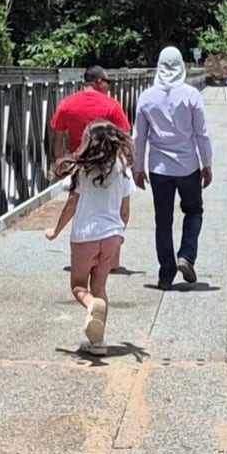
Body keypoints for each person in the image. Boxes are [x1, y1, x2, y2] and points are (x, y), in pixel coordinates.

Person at [44, 121, 135, 355]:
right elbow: (125, 210)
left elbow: (72, 204)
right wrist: (119, 231)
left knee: (78, 286)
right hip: (112, 237)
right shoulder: (122, 167)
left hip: (86, 236)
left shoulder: (82, 170)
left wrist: (56, 231)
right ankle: (98, 343)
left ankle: (91, 306)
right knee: (100, 286)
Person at [133, 47, 213, 289]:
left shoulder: (146, 97)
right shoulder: (191, 95)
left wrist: (138, 167)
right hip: (188, 166)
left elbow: (139, 136)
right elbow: (202, 133)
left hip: (159, 168)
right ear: (181, 66)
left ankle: (165, 274)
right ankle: (186, 256)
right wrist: (207, 164)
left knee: (163, 221)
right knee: (194, 211)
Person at [50, 66, 130, 165]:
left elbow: (58, 139)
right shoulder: (112, 105)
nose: (109, 86)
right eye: (108, 82)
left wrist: (61, 163)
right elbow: (125, 138)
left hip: (78, 165)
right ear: (99, 82)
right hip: (105, 166)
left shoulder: (66, 104)